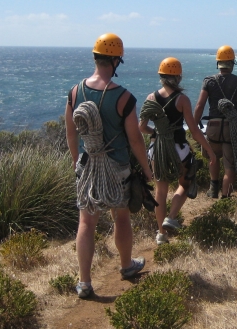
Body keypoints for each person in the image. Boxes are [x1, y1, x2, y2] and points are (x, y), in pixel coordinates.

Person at [65, 33, 154, 299]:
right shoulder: (124, 98)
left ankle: (84, 282)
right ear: (115, 61)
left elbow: (70, 132)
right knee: (122, 216)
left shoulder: (75, 91)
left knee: (86, 223)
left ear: (95, 57)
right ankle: (126, 266)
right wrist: (147, 170)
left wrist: (74, 161)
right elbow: (136, 139)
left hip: (87, 166)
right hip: (116, 167)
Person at [139, 57, 217, 245]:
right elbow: (194, 130)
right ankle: (171, 217)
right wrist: (210, 151)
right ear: (179, 77)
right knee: (185, 183)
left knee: (161, 190)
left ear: (161, 76)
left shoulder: (150, 98)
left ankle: (160, 234)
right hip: (178, 149)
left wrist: (157, 133)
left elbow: (141, 127)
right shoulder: (182, 99)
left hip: (156, 149)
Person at [194, 45, 237, 198]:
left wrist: (194, 126)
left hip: (213, 126)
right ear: (232, 62)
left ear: (218, 63)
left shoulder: (209, 81)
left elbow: (199, 105)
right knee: (230, 165)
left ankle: (213, 189)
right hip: (232, 127)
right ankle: (225, 198)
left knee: (213, 157)